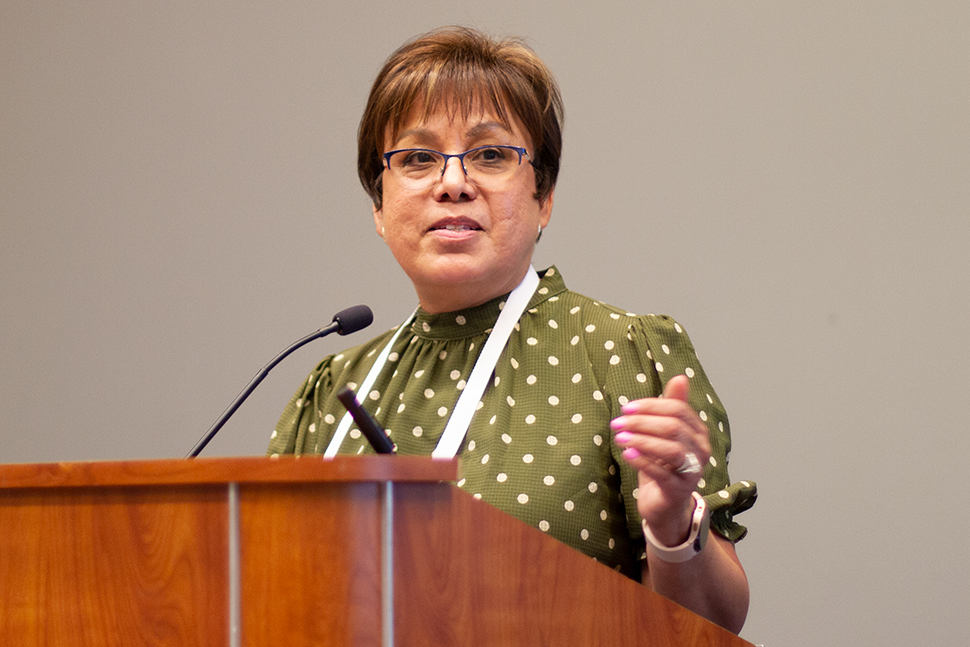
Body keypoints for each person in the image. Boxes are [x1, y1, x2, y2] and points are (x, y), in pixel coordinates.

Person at [268, 25, 756, 633]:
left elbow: (714, 624)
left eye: (490, 154)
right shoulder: (334, 390)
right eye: (417, 158)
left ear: (543, 196)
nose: (452, 182)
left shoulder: (619, 355)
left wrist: (674, 528)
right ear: (378, 205)